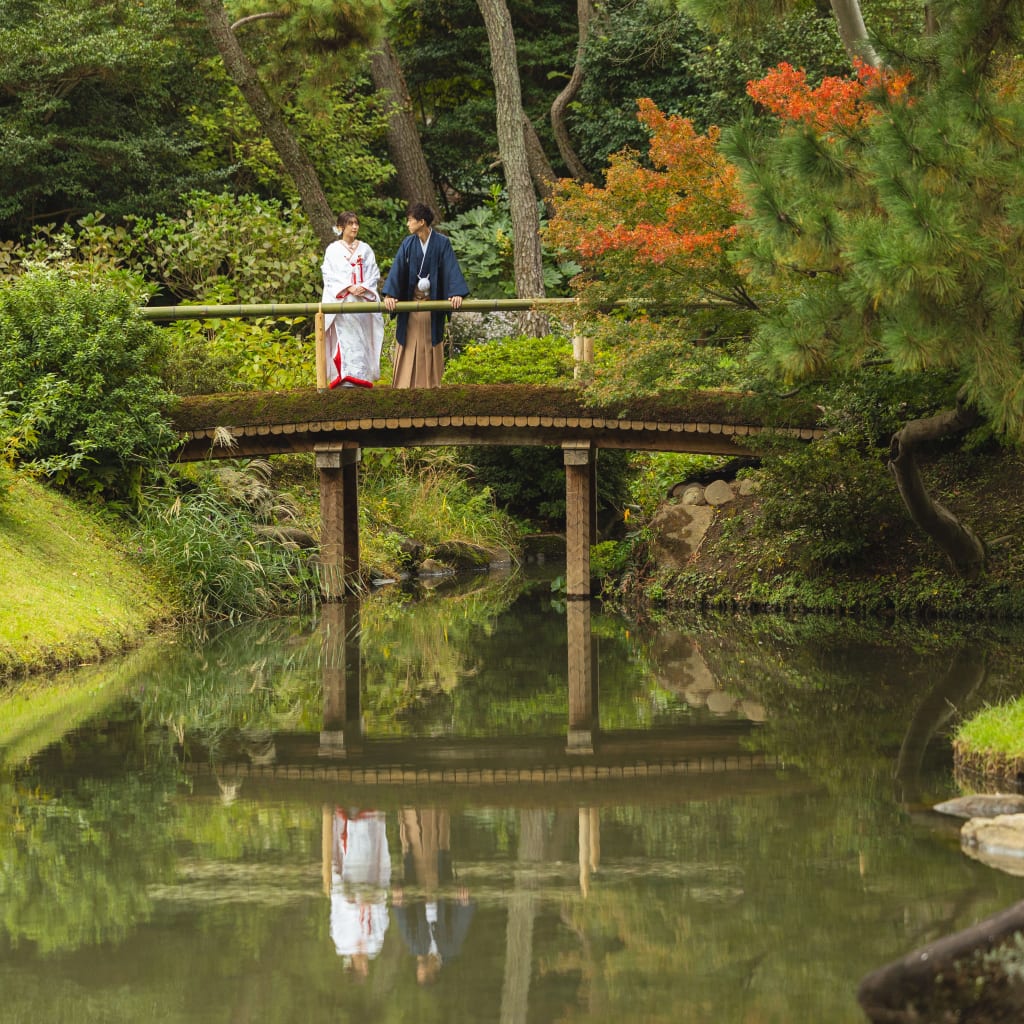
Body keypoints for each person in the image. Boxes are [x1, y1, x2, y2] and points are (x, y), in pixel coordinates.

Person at [381, 203, 470, 389]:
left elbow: (451, 268)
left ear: (421, 222)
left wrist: (455, 293)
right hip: (411, 305)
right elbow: (398, 270)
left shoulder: (442, 243)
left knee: (431, 343)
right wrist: (390, 294)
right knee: (408, 343)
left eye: (410, 220)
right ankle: (404, 386)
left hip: (432, 304)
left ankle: (431, 386)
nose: (408, 224)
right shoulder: (408, 244)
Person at [391, 807, 475, 985]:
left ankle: (410, 808)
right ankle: (437, 808)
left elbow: (403, 919)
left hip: (417, 887)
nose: (419, 966)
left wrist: (398, 901)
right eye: (422, 970)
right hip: (440, 884)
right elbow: (462, 918)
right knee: (437, 839)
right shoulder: (450, 947)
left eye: (419, 969)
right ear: (433, 970)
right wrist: (464, 902)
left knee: (414, 844)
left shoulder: (415, 946)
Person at [320, 212, 385, 389]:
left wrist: (364, 287)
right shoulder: (333, 250)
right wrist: (348, 287)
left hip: (362, 301)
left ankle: (361, 376)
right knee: (345, 338)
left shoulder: (365, 249)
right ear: (341, 227)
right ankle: (345, 377)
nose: (355, 227)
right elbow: (329, 274)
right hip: (343, 302)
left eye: (356, 223)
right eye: (350, 224)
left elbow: (374, 273)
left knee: (362, 338)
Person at [325, 805, 391, 977]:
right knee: (370, 849)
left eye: (362, 968)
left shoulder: (341, 940)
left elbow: (339, 911)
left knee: (356, 853)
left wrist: (355, 902)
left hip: (351, 890)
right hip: (372, 891)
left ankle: (352, 815)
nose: (365, 965)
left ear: (355, 966)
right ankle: (368, 812)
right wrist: (373, 903)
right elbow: (382, 920)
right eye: (365, 968)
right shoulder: (374, 945)